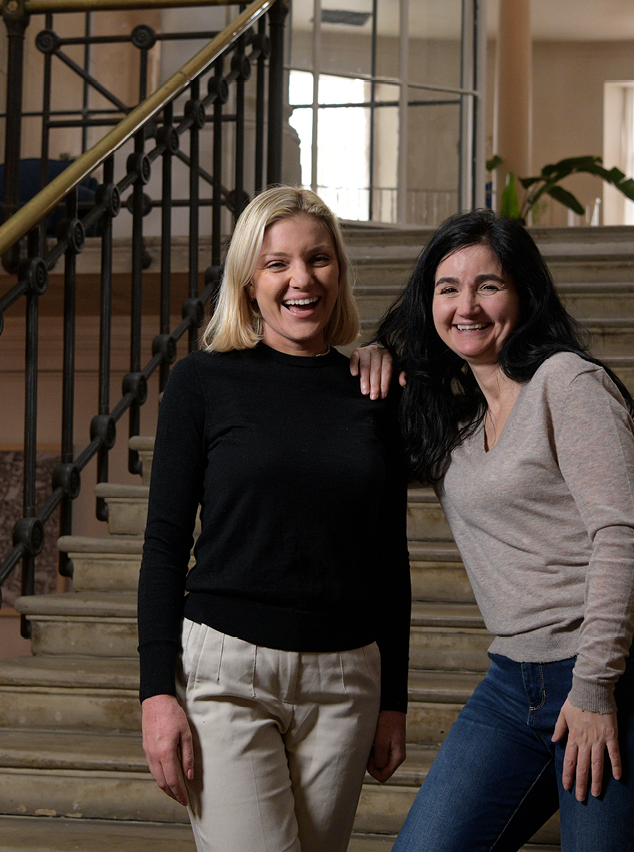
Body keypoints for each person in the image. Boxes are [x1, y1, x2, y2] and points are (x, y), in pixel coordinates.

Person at [355, 208, 634, 852]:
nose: (467, 306)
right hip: (514, 684)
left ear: (524, 293)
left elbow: (624, 535)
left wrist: (594, 689)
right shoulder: (456, 419)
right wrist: (377, 354)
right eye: (448, 288)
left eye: (489, 285)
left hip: (615, 676)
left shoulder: (566, 383)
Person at [137, 186, 411, 852]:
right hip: (227, 673)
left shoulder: (376, 391)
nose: (301, 279)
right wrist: (155, 692)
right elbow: (166, 545)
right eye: (277, 263)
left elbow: (388, 558)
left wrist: (394, 699)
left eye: (318, 259)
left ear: (338, 273)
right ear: (249, 282)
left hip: (348, 681)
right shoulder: (200, 383)